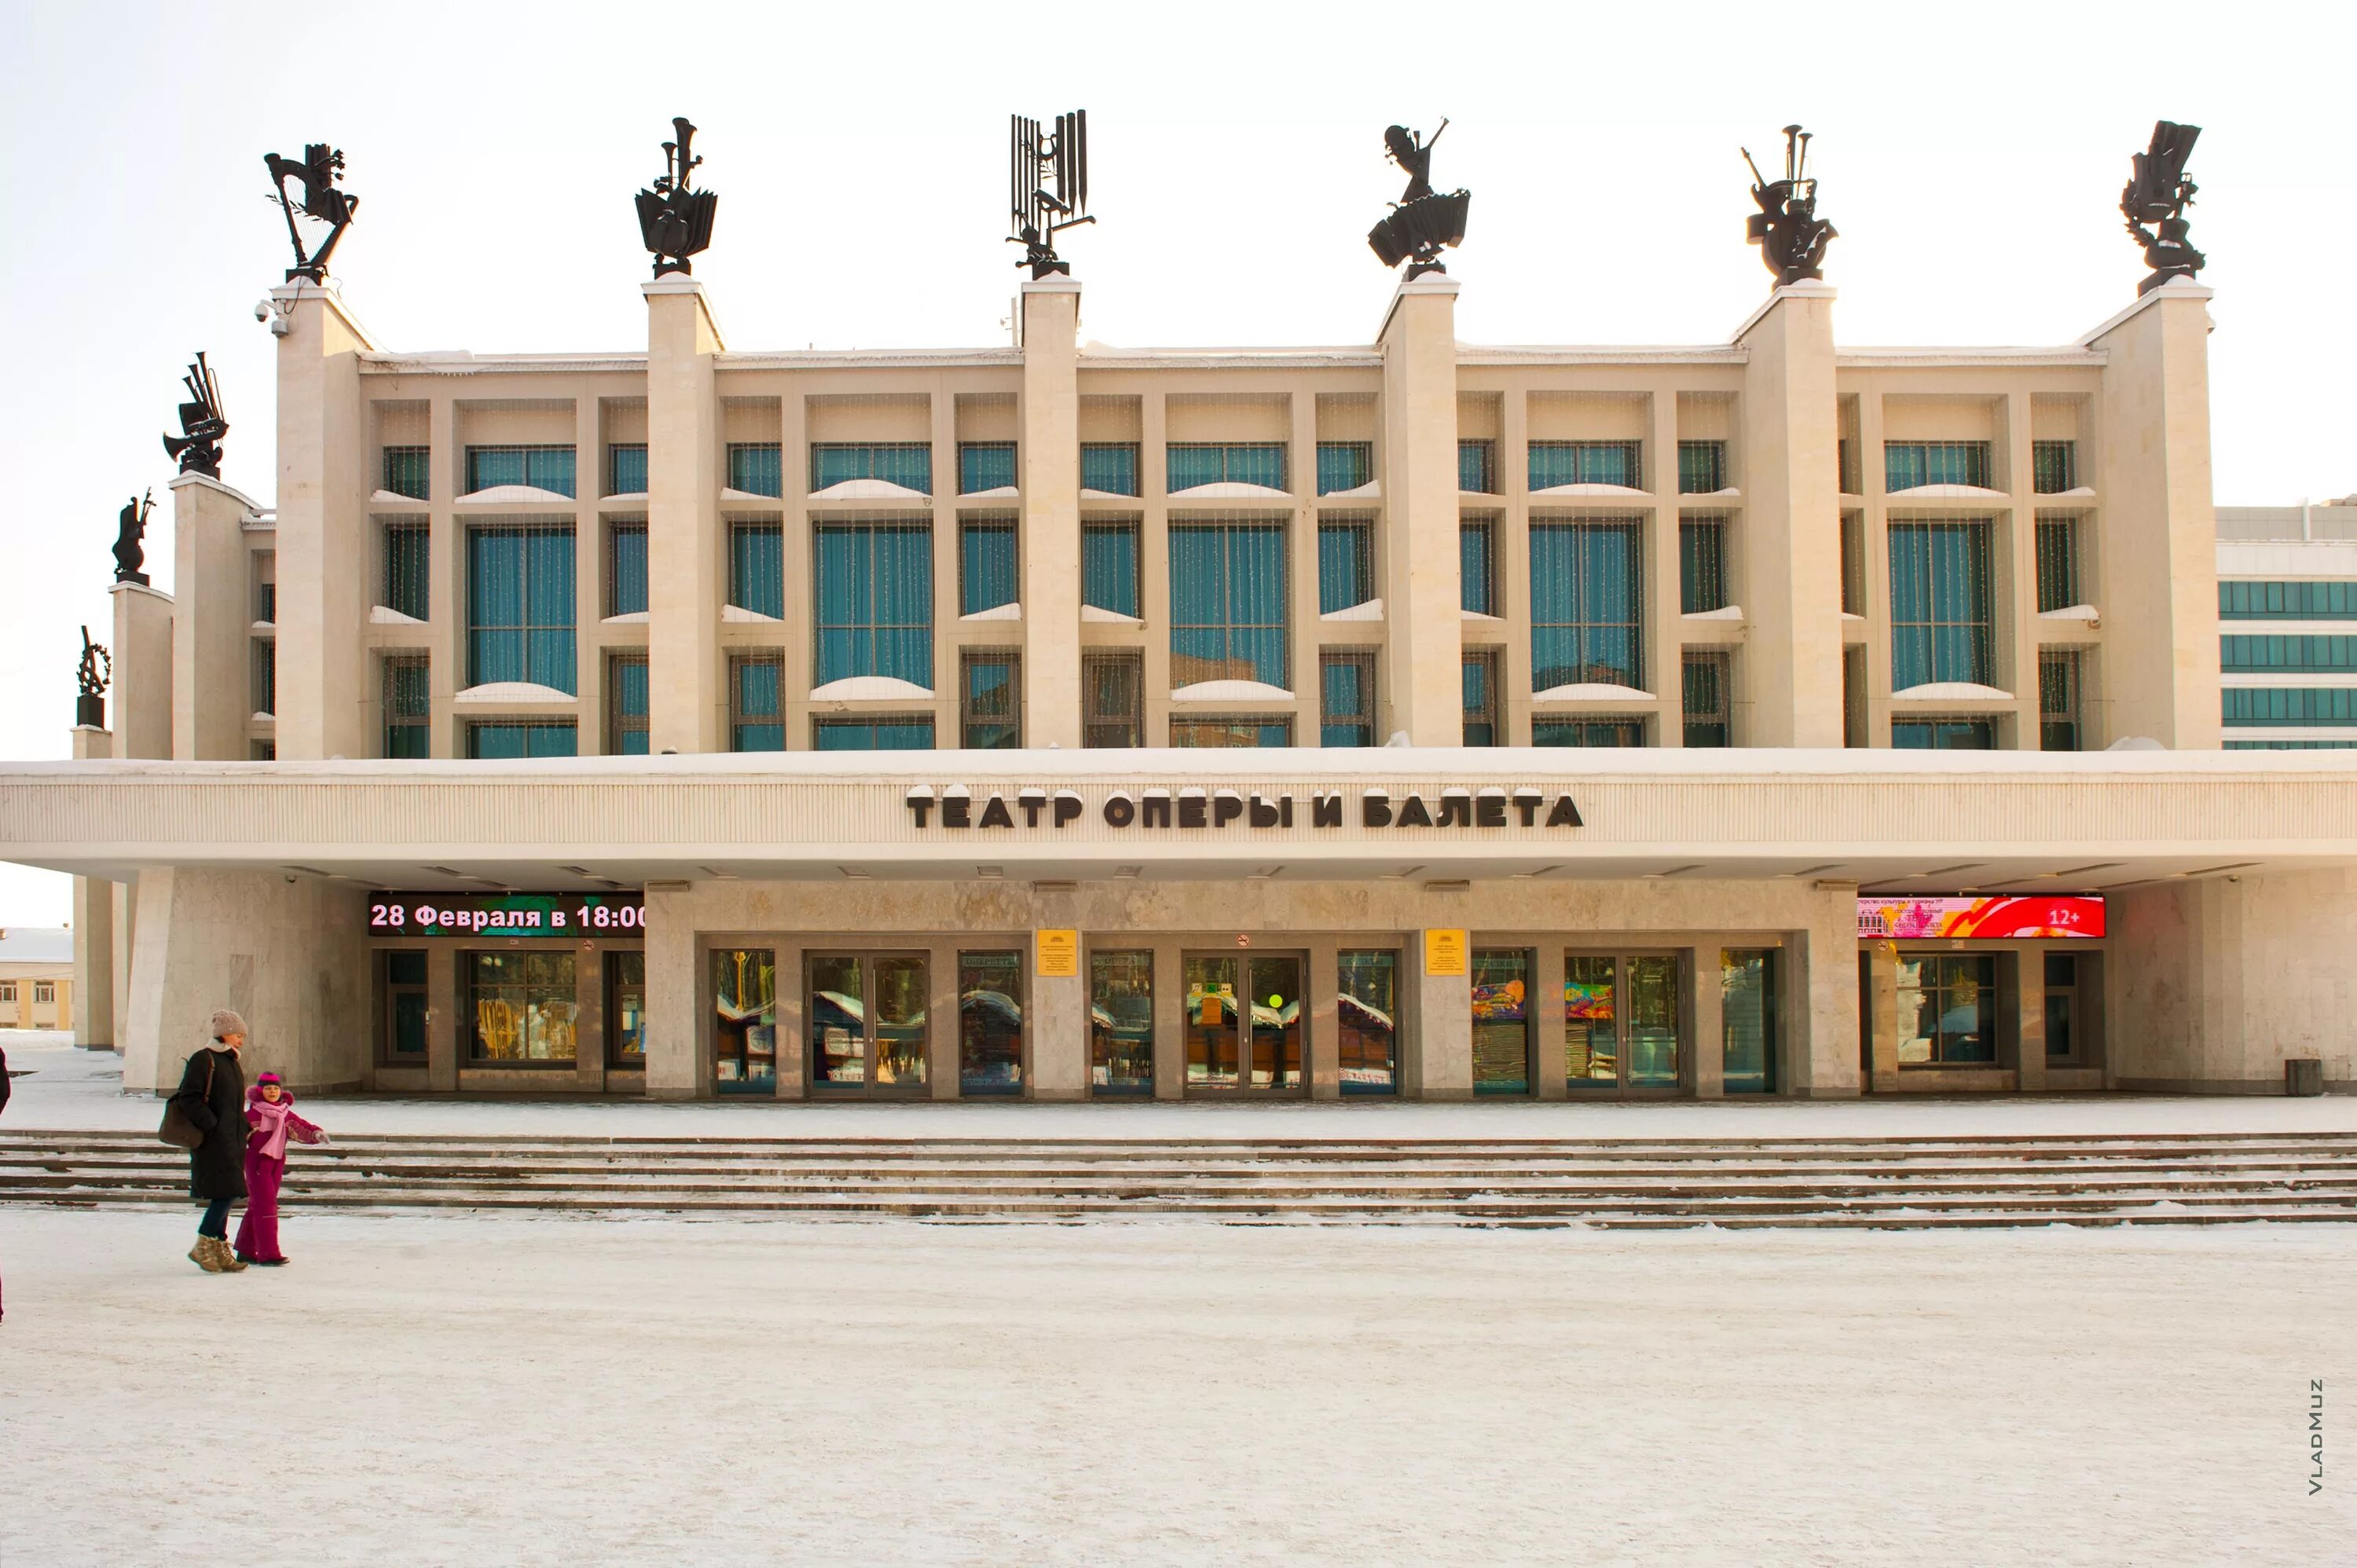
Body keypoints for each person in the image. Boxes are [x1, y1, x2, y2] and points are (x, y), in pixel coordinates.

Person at [168, 1009, 250, 1274]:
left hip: (232, 1138)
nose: (241, 1040)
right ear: (224, 1033)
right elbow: (189, 1098)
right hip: (214, 1141)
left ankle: (218, 1246)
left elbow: (232, 1106)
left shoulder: (231, 1062)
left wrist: (246, 1127)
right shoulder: (204, 1060)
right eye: (239, 1034)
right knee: (227, 1191)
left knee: (228, 1191)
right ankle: (204, 1242)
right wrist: (212, 1125)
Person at [233, 1072, 326, 1266]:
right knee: (266, 1206)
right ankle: (269, 1253)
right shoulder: (252, 1114)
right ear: (260, 1092)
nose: (273, 1092)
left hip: (277, 1161)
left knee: (258, 1205)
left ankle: (246, 1250)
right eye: (268, 1088)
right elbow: (235, 1135)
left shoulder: (284, 1113)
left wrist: (316, 1134)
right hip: (258, 1162)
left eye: (276, 1088)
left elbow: (300, 1127)